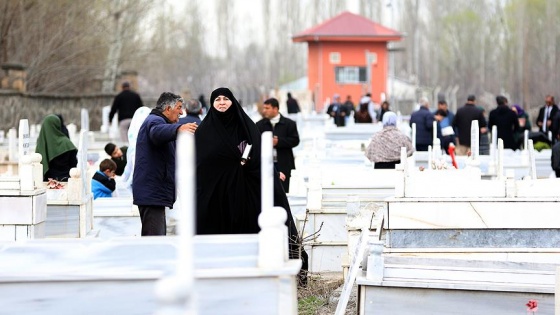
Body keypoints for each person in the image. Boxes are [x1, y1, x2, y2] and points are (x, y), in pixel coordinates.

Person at [195, 87, 308, 285]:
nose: (222, 103)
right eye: (217, 99)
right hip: (217, 194)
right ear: (212, 103)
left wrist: (245, 164)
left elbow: (257, 156)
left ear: (233, 102)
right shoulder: (204, 131)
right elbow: (201, 163)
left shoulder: (245, 126)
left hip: (247, 190)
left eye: (226, 99)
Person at [132, 92, 198, 236]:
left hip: (154, 192)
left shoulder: (160, 121)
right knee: (154, 241)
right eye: (179, 108)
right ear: (168, 109)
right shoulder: (154, 121)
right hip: (152, 193)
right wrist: (178, 129)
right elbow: (156, 132)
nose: (181, 112)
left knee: (156, 237)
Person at [256, 97, 300, 193]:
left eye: (267, 108)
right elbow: (255, 143)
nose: (264, 111)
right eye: (264, 108)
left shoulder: (289, 124)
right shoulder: (259, 125)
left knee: (283, 192)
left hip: (284, 163)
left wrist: (279, 142)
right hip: (266, 163)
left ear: (275, 109)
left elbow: (295, 140)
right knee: (266, 192)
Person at [35, 114, 78, 182]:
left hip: (47, 183)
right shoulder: (67, 143)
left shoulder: (41, 145)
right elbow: (74, 164)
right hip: (66, 181)